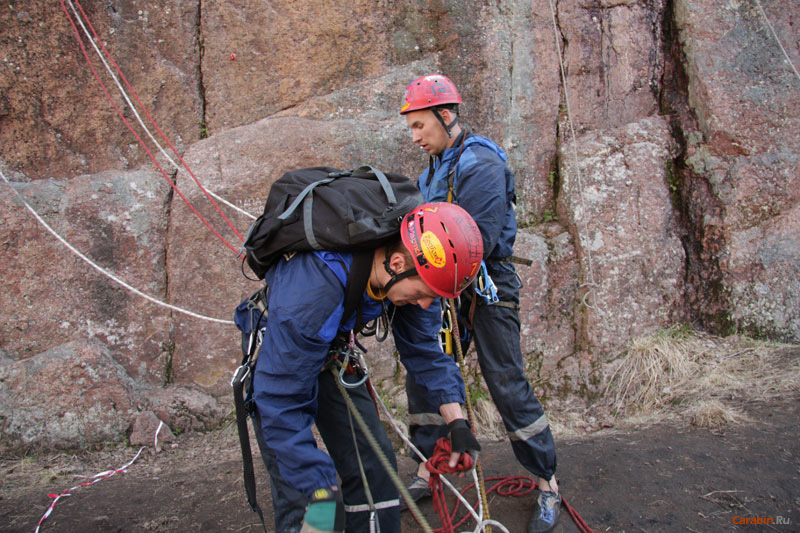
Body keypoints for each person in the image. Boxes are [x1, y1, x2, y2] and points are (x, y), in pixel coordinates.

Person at [234, 202, 484, 533]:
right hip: (284, 354)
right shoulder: (315, 288)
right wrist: (319, 488)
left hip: (331, 349)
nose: (426, 304)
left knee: (375, 471)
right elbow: (280, 400)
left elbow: (424, 351)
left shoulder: (417, 274)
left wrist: (457, 423)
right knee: (307, 499)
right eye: (424, 294)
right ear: (396, 263)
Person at [399, 74, 561, 533]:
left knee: (506, 381)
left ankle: (547, 481)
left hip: (486, 285)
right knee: (426, 378)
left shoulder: (481, 164)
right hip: (442, 284)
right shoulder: (432, 168)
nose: (415, 137)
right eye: (410, 128)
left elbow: (481, 240)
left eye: (419, 126)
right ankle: (431, 466)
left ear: (445, 115)